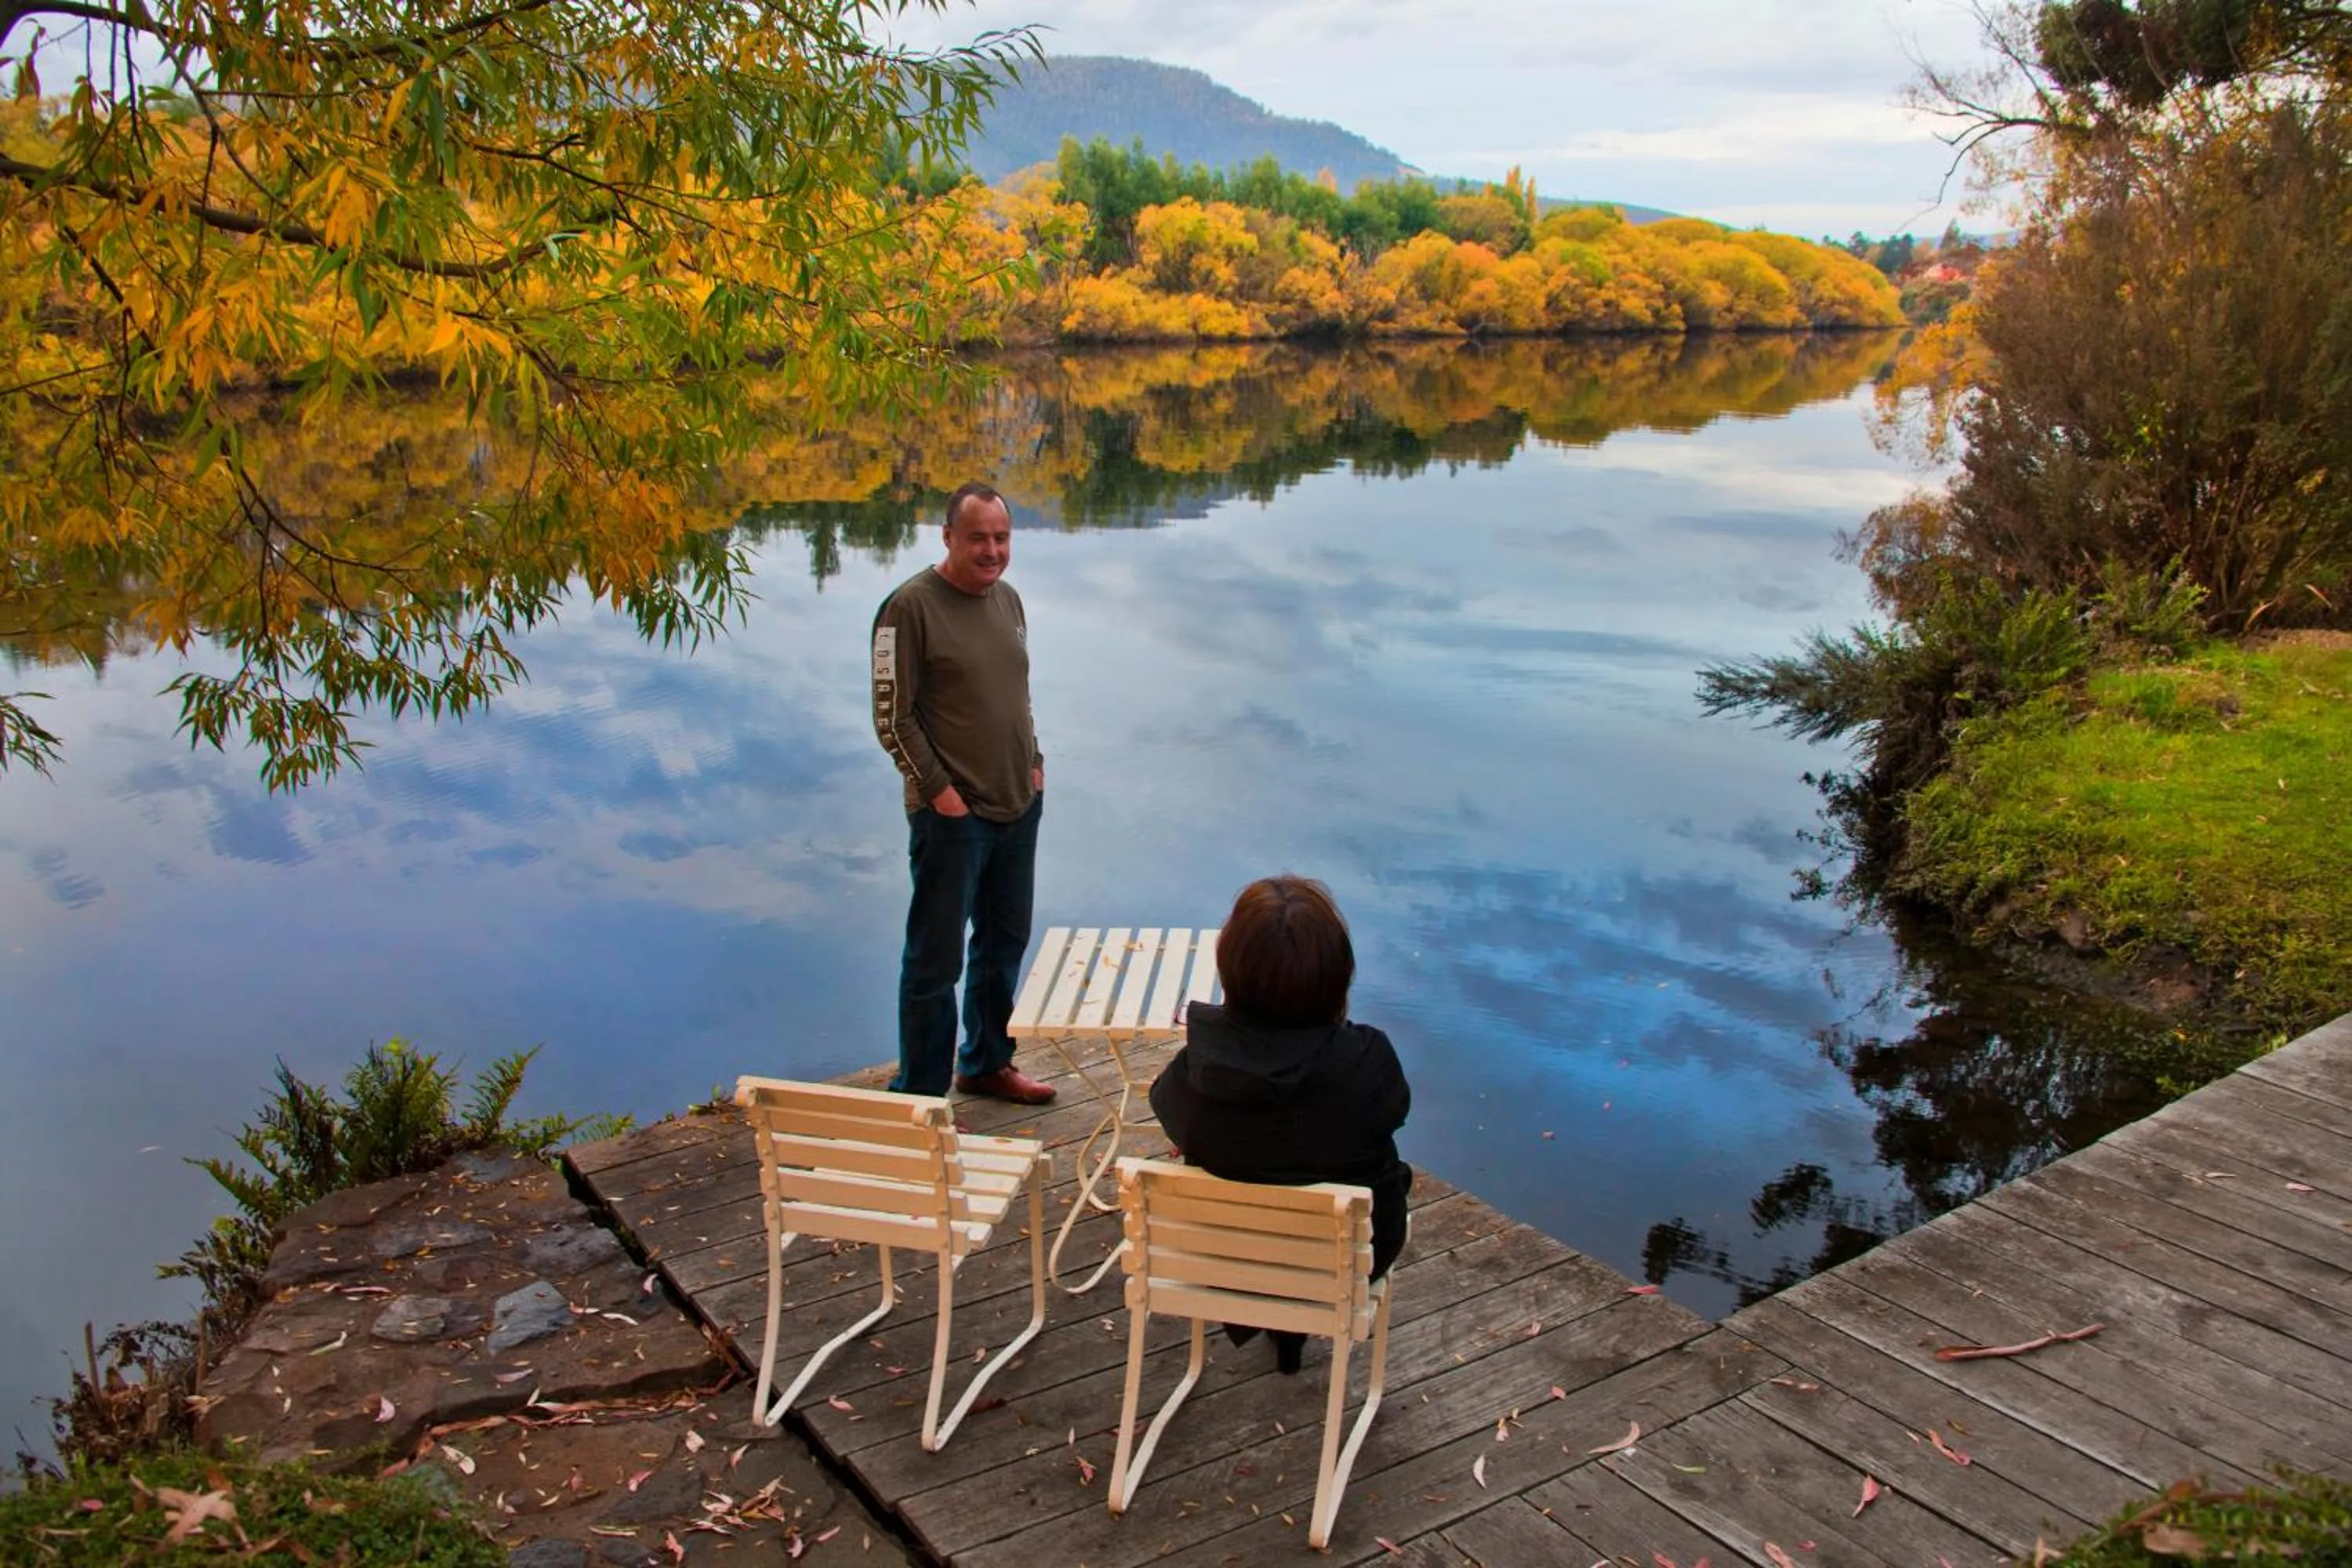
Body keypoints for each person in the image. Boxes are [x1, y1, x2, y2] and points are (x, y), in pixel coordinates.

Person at [1149, 875, 1411, 1373]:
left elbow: (1170, 1115)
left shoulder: (1198, 1069)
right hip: (1349, 1258)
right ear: (1336, 972)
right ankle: (1295, 1331)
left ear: (1231, 969)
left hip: (1223, 1257)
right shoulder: (1369, 1062)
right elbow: (1391, 1116)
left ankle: (1276, 1321)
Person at [871, 483, 1056, 1105]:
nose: (992, 550)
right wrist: (940, 794)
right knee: (934, 963)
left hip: (1016, 805)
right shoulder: (908, 609)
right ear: (947, 536)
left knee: (1004, 944)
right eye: (978, 537)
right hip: (952, 818)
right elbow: (891, 719)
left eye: (1001, 538)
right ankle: (920, 1098)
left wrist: (1033, 763)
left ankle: (984, 1063)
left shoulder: (1009, 600)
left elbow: (1015, 694)